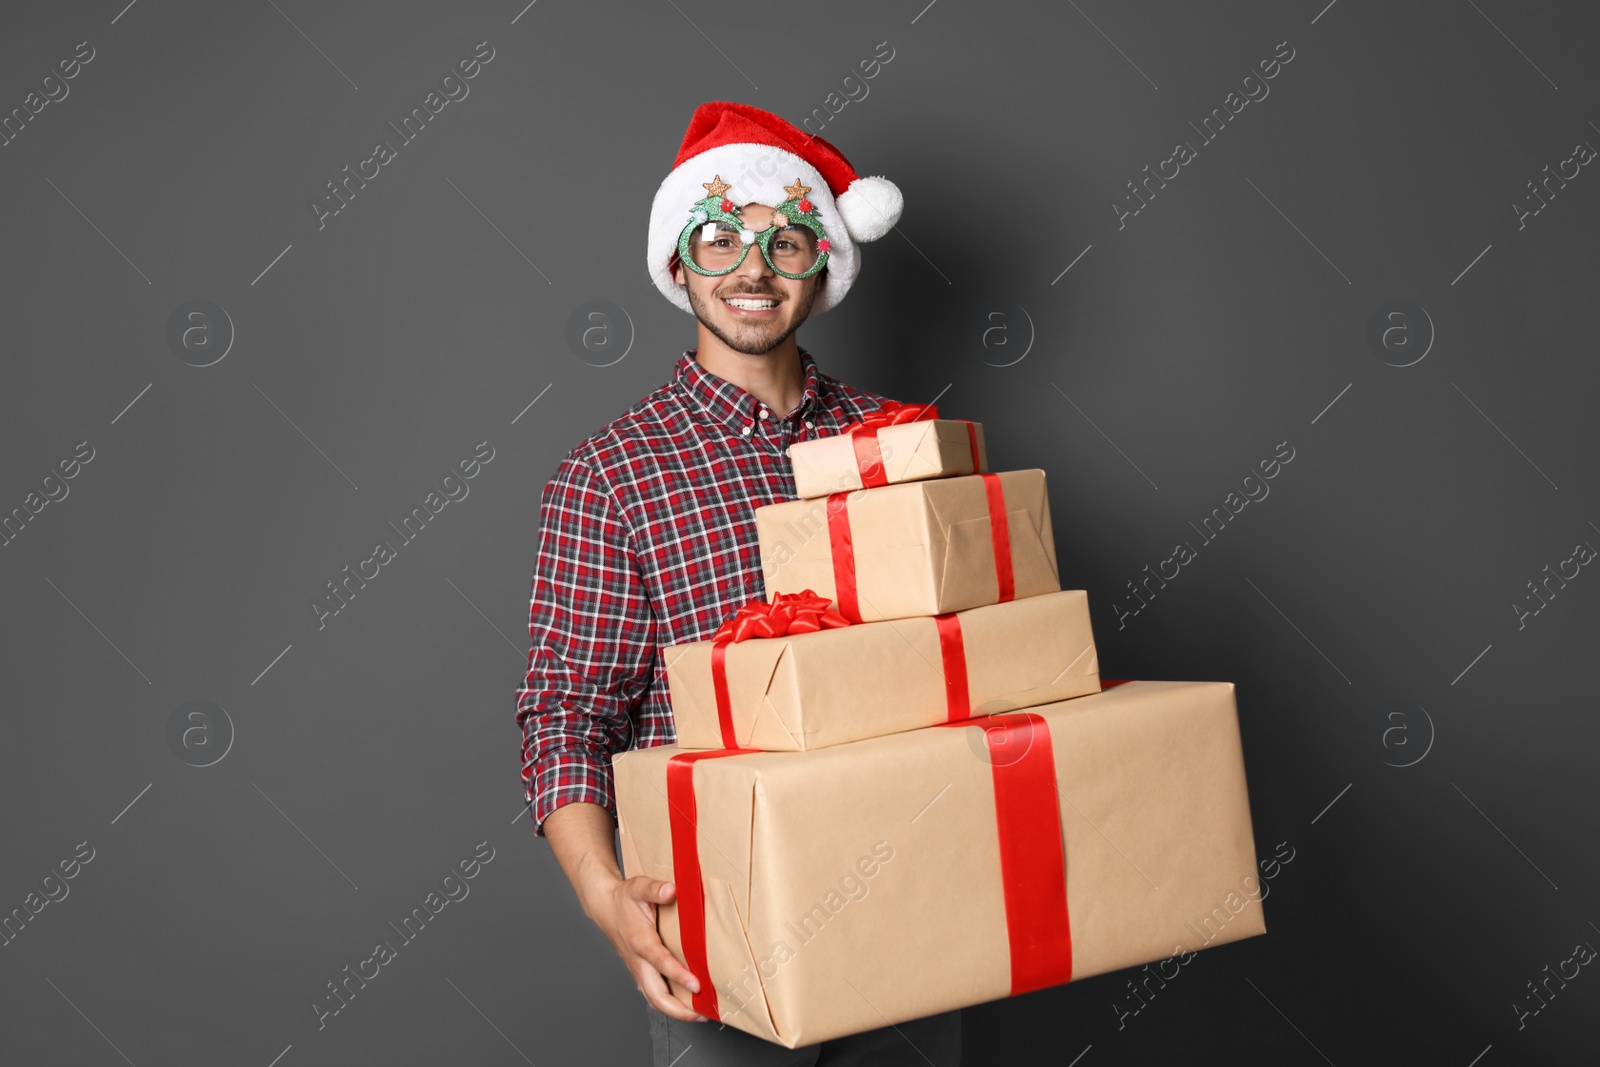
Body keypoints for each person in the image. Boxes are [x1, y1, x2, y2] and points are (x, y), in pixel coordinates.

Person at [514, 101, 962, 1065]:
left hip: (914, 903)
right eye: (719, 240)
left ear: (825, 268)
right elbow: (565, 713)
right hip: (723, 928)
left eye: (787, 241)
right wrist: (607, 899)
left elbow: (973, 659)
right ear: (679, 265)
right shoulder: (611, 475)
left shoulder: (898, 441)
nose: (752, 270)